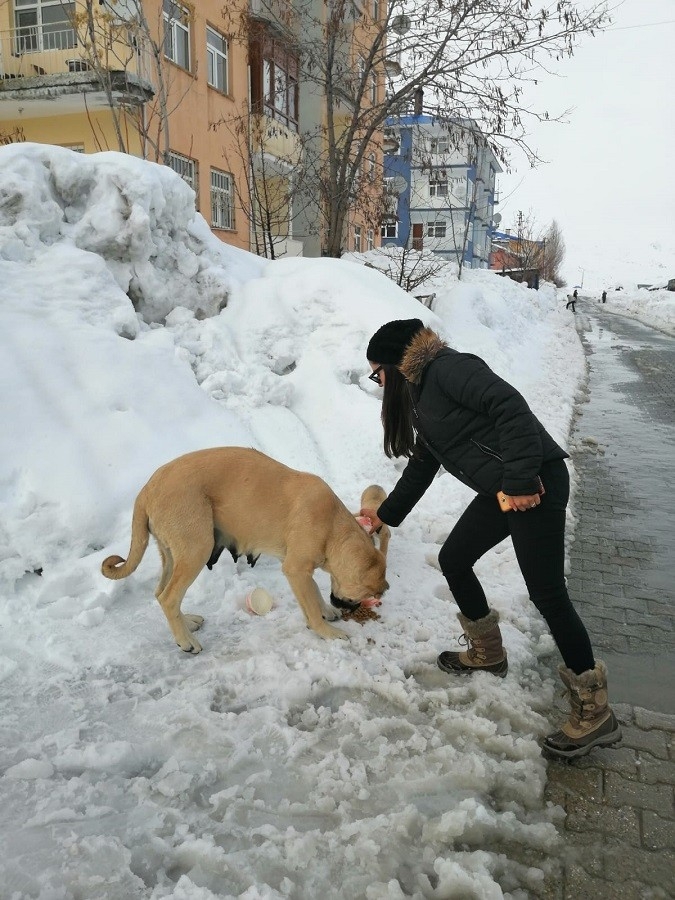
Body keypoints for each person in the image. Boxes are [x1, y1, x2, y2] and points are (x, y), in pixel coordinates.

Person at [362, 318, 621, 760]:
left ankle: (595, 711)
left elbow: (510, 406)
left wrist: (521, 481)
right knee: (454, 559)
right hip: (502, 490)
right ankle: (487, 653)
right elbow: (423, 464)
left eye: (377, 372)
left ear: (392, 364)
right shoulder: (423, 397)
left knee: (547, 594)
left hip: (533, 483)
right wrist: (382, 517)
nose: (377, 382)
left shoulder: (448, 369)